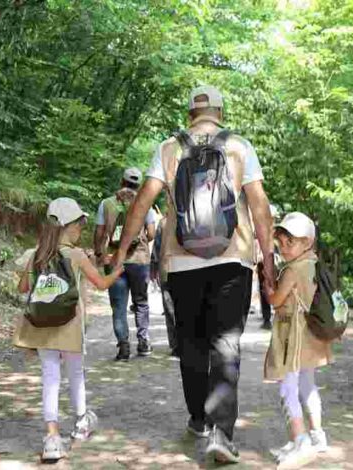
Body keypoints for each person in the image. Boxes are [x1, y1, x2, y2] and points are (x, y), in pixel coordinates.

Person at [111, 85, 276, 464]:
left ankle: (199, 420)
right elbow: (260, 206)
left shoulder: (169, 148)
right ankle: (222, 433)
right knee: (226, 344)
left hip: (181, 262)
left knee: (192, 344)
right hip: (233, 260)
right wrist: (267, 260)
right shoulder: (239, 147)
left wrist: (122, 253)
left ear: (190, 114)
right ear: (220, 111)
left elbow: (142, 203)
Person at [13, 198, 123, 462]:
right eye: (79, 224)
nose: (80, 229)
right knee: (75, 373)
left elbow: (23, 289)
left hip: (41, 327)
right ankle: (81, 423)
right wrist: (117, 271)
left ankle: (51, 437)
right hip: (70, 325)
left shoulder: (35, 254)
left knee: (50, 376)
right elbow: (101, 284)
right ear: (68, 225)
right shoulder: (75, 255)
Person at [263, 212, 332, 468]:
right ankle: (317, 436)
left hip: (294, 335)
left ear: (307, 242)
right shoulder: (315, 264)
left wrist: (268, 288)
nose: (284, 247)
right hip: (312, 334)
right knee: (308, 384)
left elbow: (276, 301)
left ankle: (300, 441)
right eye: (282, 241)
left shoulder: (293, 269)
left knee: (287, 388)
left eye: (290, 241)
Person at [93, 168, 157, 361]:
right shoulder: (145, 204)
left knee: (119, 305)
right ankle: (143, 342)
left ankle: (123, 346)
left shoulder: (107, 204)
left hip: (114, 260)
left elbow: (99, 233)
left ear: (122, 181)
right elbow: (152, 233)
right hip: (139, 260)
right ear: (138, 185)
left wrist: (99, 254)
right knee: (141, 302)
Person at [150, 216, 178, 356]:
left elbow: (157, 247)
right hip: (190, 269)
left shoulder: (164, 221)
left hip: (167, 268)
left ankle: (176, 344)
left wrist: (153, 269)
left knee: (170, 307)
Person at [256, 204, 281, 330]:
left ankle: (275, 317)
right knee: (264, 289)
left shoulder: (278, 231)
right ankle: (267, 319)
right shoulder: (261, 230)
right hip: (263, 264)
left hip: (276, 264)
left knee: (278, 289)